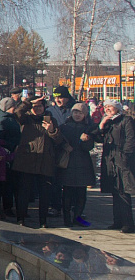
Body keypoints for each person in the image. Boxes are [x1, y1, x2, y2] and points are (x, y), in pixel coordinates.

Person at [11, 97, 62, 228]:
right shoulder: (25, 119)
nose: (37, 108)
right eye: (35, 106)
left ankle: (43, 220)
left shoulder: (50, 120)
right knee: (24, 192)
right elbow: (17, 112)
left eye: (40, 106)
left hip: (45, 162)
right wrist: (28, 102)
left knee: (45, 193)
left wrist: (51, 130)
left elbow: (59, 141)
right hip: (27, 160)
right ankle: (21, 218)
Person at [96, 99, 135, 233]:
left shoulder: (126, 120)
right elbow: (99, 138)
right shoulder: (107, 122)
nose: (107, 109)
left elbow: (131, 138)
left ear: (117, 108)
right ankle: (117, 221)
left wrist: (125, 156)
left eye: (110, 107)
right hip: (110, 161)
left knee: (123, 191)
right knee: (115, 192)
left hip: (122, 160)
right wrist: (101, 125)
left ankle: (128, 223)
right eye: (106, 107)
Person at [58, 103, 97, 227]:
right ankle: (66, 218)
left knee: (81, 193)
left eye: (80, 113)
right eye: (75, 112)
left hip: (82, 164)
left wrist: (85, 140)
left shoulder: (89, 128)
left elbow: (89, 147)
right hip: (67, 163)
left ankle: (78, 217)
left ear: (85, 114)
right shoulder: (64, 127)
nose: (77, 115)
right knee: (67, 193)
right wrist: (64, 146)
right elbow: (58, 142)